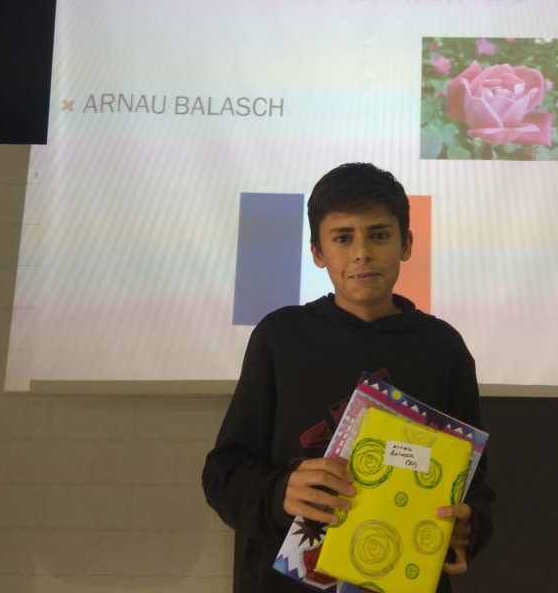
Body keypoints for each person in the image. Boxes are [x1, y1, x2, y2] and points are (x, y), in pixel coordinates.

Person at [202, 162, 494, 593]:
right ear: (317, 252)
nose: (362, 252)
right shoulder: (280, 337)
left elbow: (475, 485)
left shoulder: (442, 348)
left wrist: (471, 525)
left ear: (406, 244)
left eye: (379, 235)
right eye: (342, 238)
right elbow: (222, 474)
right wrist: (279, 492)